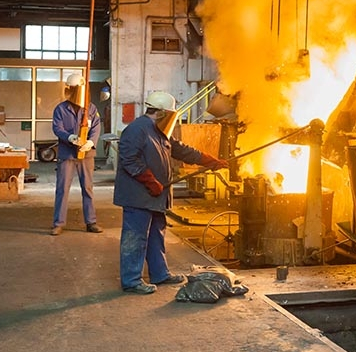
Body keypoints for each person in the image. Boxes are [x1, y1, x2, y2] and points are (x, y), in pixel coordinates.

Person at [113, 91, 229, 294]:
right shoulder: (136, 130)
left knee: (156, 235)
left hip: (156, 196)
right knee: (136, 237)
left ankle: (160, 274)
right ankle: (131, 280)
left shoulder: (159, 131)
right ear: (162, 113)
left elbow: (181, 149)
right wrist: (149, 180)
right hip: (138, 196)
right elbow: (130, 159)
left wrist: (208, 160)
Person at [51, 72, 102, 235]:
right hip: (67, 154)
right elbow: (57, 128)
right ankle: (58, 223)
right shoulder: (60, 109)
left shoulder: (91, 108)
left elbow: (96, 127)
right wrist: (70, 137)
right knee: (62, 189)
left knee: (87, 188)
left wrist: (91, 142)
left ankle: (91, 222)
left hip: (86, 156)